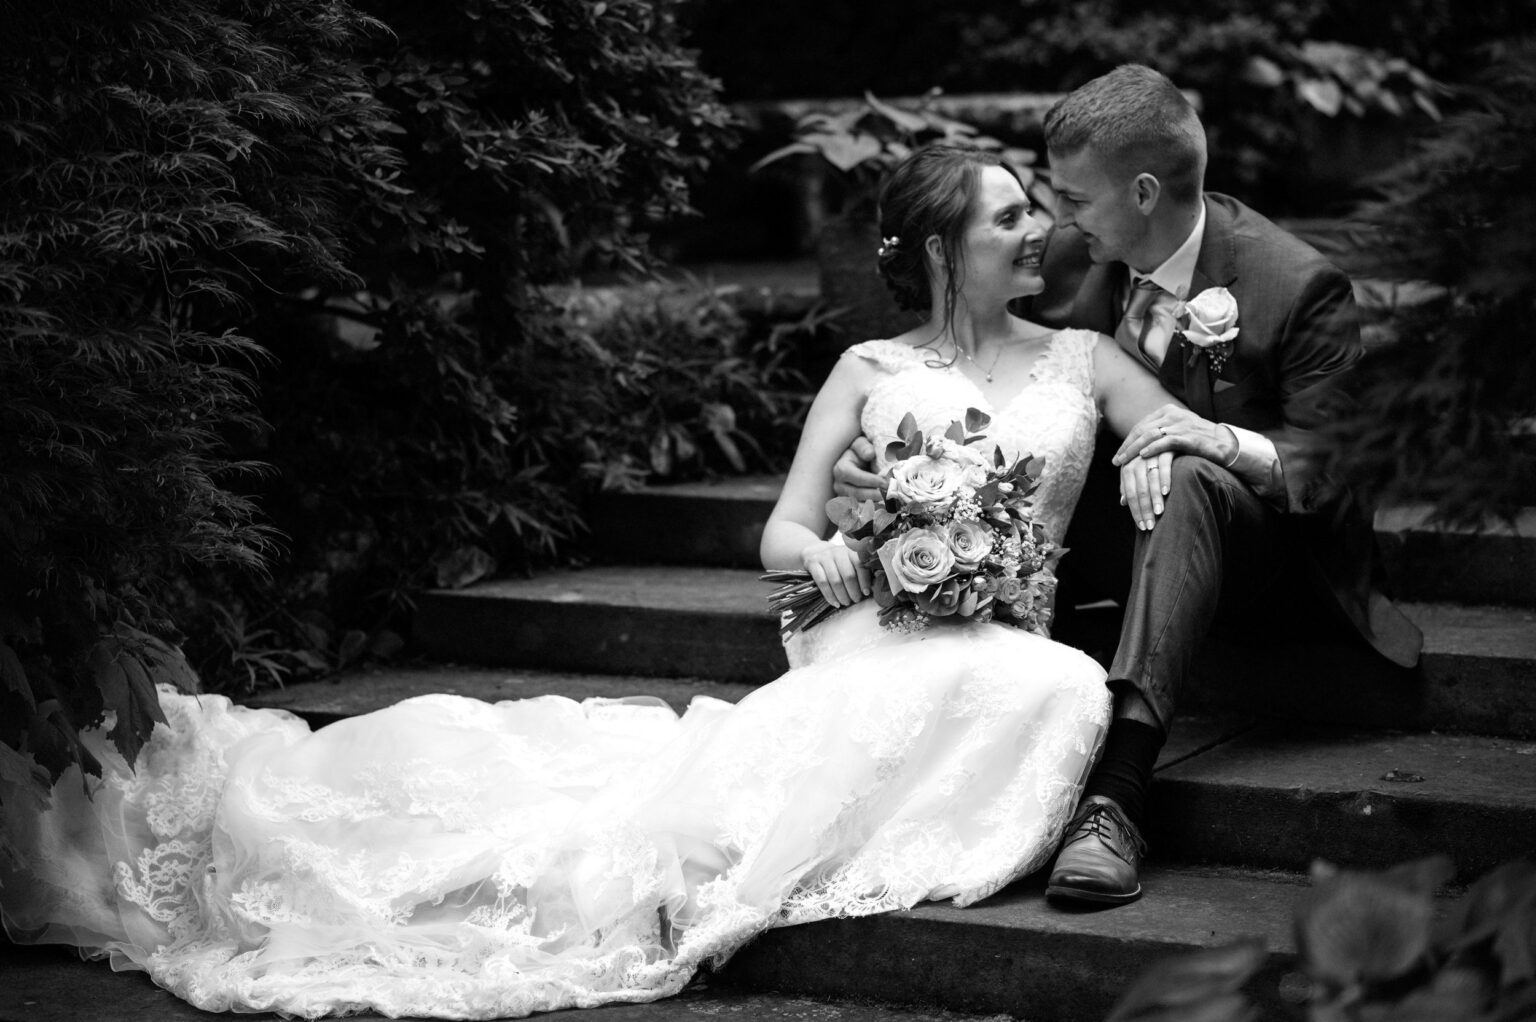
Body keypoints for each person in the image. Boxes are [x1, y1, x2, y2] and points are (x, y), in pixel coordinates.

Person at [0, 143, 1178, 1019]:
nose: (1038, 231)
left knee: (1062, 686)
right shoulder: (867, 367)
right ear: (940, 250)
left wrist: (1166, 451)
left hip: (1005, 632)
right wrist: (824, 551)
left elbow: (1181, 423)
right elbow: (780, 528)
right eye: (1011, 215)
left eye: (1034, 211)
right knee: (672, 827)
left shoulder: (1083, 356)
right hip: (875, 627)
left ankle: (828, 848)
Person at [835, 64, 1424, 907]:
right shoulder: (1081, 254)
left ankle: (1117, 796)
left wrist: (1217, 437)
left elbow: (1342, 471)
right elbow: (1000, 380)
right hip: (1125, 531)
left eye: (1072, 199)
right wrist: (884, 463)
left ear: (1144, 192)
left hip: (1277, 561)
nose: (1052, 221)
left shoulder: (1296, 286)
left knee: (1188, 474)